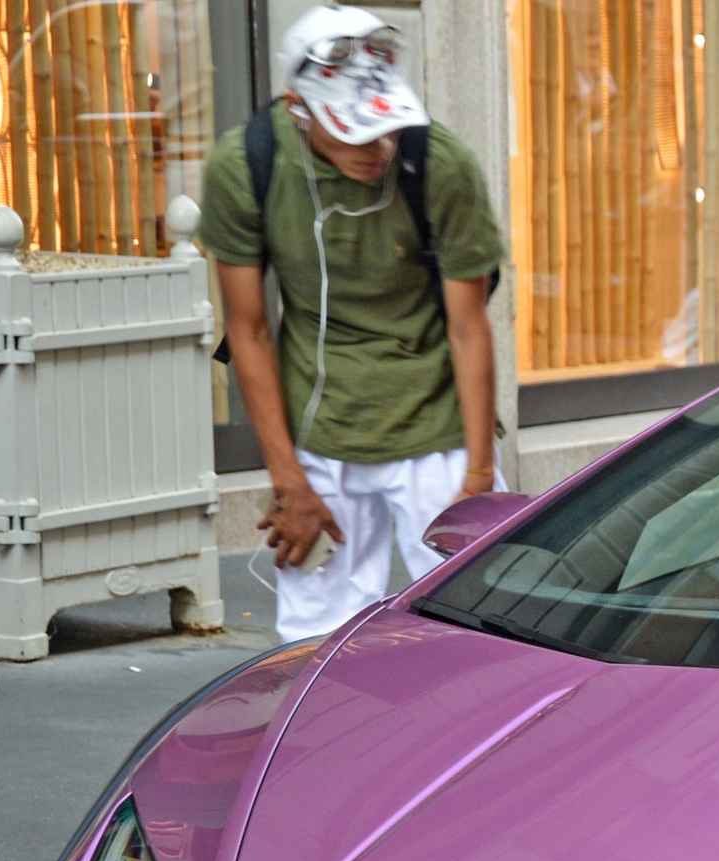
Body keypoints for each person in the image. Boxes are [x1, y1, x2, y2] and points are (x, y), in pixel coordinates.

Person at [202, 6, 505, 647]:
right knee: (317, 638)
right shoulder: (247, 165)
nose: (377, 148)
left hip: (435, 421)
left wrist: (477, 479)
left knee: (477, 625)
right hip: (318, 420)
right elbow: (249, 331)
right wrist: (288, 481)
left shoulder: (439, 163)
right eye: (354, 132)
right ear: (299, 108)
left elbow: (470, 328)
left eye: (386, 128)